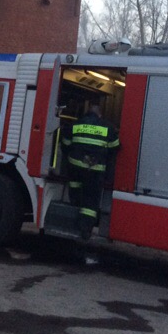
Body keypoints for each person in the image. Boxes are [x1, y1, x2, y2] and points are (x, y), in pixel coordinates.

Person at [62, 99, 120, 240]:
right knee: (91, 200)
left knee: (75, 191)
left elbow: (65, 144)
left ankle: (71, 216)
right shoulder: (108, 128)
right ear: (100, 115)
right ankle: (85, 229)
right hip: (94, 171)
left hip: (75, 168)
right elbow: (115, 147)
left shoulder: (75, 125)